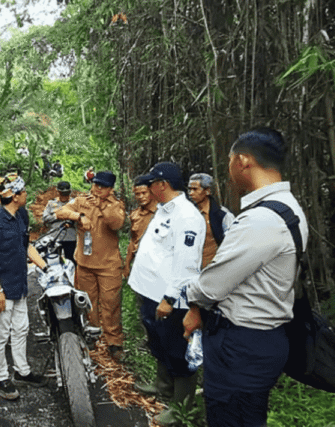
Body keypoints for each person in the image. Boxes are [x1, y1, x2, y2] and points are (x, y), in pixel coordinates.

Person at [183, 128, 307, 427]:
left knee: (230, 416)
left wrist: (191, 295)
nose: (228, 171)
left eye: (229, 162)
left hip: (242, 345)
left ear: (243, 161)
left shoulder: (262, 220)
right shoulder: (290, 209)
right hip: (261, 339)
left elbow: (212, 285)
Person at [127, 161, 205, 426]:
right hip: (150, 291)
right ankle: (163, 387)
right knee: (158, 342)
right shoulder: (164, 210)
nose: (147, 188)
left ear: (163, 185)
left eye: (151, 184)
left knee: (176, 348)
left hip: (169, 298)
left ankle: (182, 406)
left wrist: (169, 299)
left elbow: (186, 264)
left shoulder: (187, 216)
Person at [0, 174, 48, 400]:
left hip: (19, 284)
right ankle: (0, 376)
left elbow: (26, 245)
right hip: (3, 286)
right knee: (0, 333)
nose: (27, 195)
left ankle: (22, 370)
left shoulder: (21, 215)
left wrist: (45, 266)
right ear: (16, 196)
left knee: (21, 328)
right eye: (24, 192)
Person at [55, 171, 126, 361]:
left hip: (108, 266)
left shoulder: (115, 205)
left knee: (110, 305)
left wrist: (103, 205)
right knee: (88, 302)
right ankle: (92, 335)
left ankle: (114, 343)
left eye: (102, 186)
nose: (97, 189)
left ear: (110, 189)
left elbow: (117, 224)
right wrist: (79, 216)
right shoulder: (81, 200)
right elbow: (60, 212)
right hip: (85, 264)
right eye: (95, 185)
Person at [188, 173, 235, 268]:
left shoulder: (223, 215)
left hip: (214, 269)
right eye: (190, 189)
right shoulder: (187, 214)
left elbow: (232, 244)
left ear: (207, 191)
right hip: (191, 271)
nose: (191, 193)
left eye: (195, 189)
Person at [122, 174, 158, 279]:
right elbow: (133, 241)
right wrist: (127, 265)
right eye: (137, 194)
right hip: (141, 264)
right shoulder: (135, 215)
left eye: (144, 193)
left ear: (151, 192)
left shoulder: (162, 213)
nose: (141, 197)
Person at [42, 181, 76, 265]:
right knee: (53, 262)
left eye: (66, 193)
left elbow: (81, 218)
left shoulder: (75, 203)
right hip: (55, 237)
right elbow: (45, 218)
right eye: (62, 193)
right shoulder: (51, 203)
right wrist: (57, 216)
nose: (64, 196)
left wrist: (71, 220)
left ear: (70, 192)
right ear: (58, 192)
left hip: (70, 237)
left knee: (71, 262)